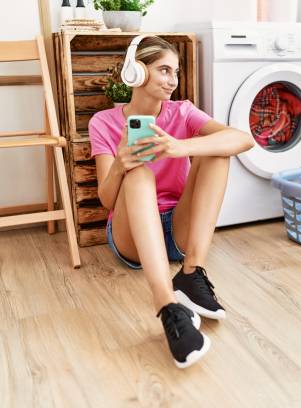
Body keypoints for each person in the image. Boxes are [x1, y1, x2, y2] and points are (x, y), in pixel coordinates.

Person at [88, 35, 254, 368]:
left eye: (175, 72)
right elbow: (107, 200)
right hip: (131, 235)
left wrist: (181, 147)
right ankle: (168, 307)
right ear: (137, 71)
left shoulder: (183, 112)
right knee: (139, 173)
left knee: (218, 151)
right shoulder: (103, 122)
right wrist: (121, 163)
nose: (172, 80)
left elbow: (242, 139)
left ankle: (191, 273)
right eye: (163, 70)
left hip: (176, 229)